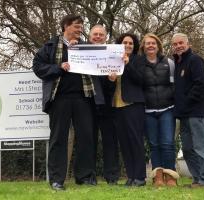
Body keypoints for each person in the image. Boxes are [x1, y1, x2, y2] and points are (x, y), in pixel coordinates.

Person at [32, 14, 103, 190]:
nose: (80, 29)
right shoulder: (50, 46)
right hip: (59, 99)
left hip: (83, 98)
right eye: (76, 26)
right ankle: (57, 180)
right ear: (65, 26)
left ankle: (84, 177)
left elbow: (101, 63)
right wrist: (58, 67)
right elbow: (37, 66)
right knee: (58, 139)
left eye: (81, 27)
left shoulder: (87, 47)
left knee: (86, 137)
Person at [172, 33, 204, 188]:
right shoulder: (179, 64)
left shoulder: (195, 60)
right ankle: (197, 179)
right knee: (188, 148)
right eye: (175, 44)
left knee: (201, 147)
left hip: (196, 113)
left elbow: (202, 84)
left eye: (181, 43)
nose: (178, 46)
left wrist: (186, 102)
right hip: (183, 115)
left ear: (187, 43)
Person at [138, 33, 179, 187]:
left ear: (158, 46)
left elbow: (175, 85)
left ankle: (170, 177)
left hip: (167, 109)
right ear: (143, 46)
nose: (150, 46)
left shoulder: (169, 62)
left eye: (153, 43)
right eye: (147, 43)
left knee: (168, 143)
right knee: (154, 144)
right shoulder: (140, 64)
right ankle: (158, 177)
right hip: (148, 111)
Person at [109, 33, 146, 186]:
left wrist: (128, 63)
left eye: (131, 43)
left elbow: (141, 80)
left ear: (135, 45)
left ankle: (140, 177)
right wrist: (110, 80)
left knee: (135, 141)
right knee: (124, 142)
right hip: (116, 106)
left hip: (133, 105)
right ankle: (131, 177)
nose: (128, 45)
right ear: (120, 44)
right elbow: (109, 86)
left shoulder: (139, 60)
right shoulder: (112, 60)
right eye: (125, 42)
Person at [88, 25, 120, 185]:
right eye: (95, 34)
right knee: (88, 142)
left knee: (110, 142)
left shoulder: (112, 55)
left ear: (106, 37)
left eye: (101, 34)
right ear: (89, 36)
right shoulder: (81, 54)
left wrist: (111, 81)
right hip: (87, 106)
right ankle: (89, 176)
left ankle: (112, 177)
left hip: (107, 106)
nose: (98, 36)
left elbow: (111, 89)